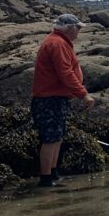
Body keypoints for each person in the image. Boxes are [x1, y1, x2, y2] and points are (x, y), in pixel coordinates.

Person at [31, 14, 94, 187]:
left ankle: (53, 173)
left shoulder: (60, 42)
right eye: (78, 28)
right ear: (68, 28)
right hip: (49, 99)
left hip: (57, 98)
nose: (79, 31)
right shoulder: (56, 43)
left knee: (57, 137)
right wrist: (83, 94)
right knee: (50, 139)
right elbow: (65, 73)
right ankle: (46, 179)